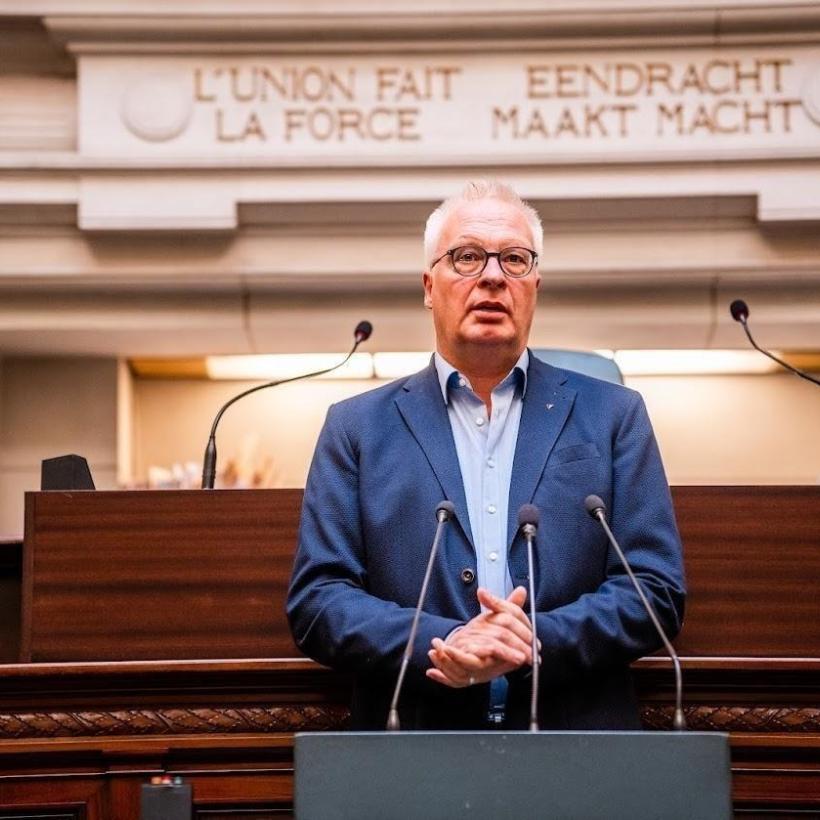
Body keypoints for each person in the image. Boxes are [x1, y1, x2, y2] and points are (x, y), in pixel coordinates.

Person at [287, 180, 685, 730]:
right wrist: (446, 640)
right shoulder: (355, 427)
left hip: (577, 744)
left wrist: (529, 642)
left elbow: (655, 590)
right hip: (415, 745)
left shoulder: (614, 415)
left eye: (514, 260)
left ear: (535, 285)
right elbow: (319, 601)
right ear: (430, 285)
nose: (493, 276)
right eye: (468, 257)